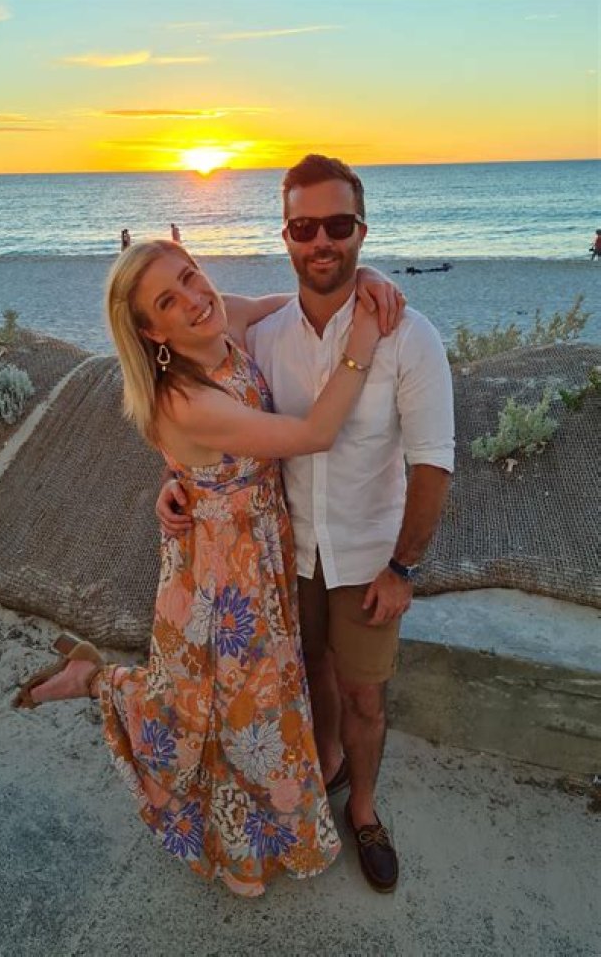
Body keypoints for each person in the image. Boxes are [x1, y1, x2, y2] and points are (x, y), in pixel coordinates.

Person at [13, 238, 403, 897]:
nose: (196, 300)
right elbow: (313, 434)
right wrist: (363, 338)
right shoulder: (181, 399)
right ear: (151, 331)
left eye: (191, 277)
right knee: (216, 709)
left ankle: (257, 821)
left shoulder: (228, 317)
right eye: (169, 301)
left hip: (261, 548)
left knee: (241, 705)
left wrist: (362, 275)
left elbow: (301, 306)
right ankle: (98, 682)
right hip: (218, 574)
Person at [157, 154, 455, 894]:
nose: (322, 241)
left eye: (338, 225)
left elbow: (432, 465)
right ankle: (325, 768)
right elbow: (210, 415)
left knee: (364, 695)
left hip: (366, 557)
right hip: (282, 555)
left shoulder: (407, 335)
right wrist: (175, 482)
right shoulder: (260, 334)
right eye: (304, 227)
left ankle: (364, 809)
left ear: (362, 230)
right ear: (285, 235)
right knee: (307, 674)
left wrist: (403, 569)